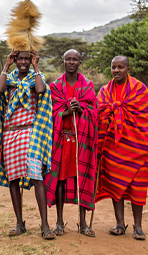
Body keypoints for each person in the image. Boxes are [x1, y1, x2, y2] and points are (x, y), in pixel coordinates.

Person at [0, 50, 55, 240]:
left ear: (31, 61)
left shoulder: (37, 77)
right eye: (19, 59)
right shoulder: (9, 78)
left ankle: (44, 225)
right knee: (13, 180)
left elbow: (40, 91)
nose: (23, 62)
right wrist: (6, 65)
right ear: (15, 60)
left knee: (37, 177)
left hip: (31, 133)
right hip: (10, 133)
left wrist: (36, 67)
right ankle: (19, 223)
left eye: (26, 59)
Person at [44, 49, 98, 237]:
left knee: (80, 178)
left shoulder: (88, 85)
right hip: (61, 139)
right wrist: (66, 112)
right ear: (63, 61)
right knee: (60, 178)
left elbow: (94, 112)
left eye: (75, 59)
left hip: (81, 139)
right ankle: (59, 222)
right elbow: (49, 113)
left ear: (80, 62)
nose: (72, 62)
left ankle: (83, 223)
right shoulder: (55, 87)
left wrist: (81, 109)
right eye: (68, 59)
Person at [96, 55, 148, 240]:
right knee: (116, 184)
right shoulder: (104, 91)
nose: (116, 70)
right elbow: (99, 114)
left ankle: (138, 227)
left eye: (120, 67)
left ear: (128, 69)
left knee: (137, 187)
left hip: (137, 148)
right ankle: (119, 223)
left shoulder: (140, 90)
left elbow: (144, 117)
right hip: (113, 147)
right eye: (113, 67)